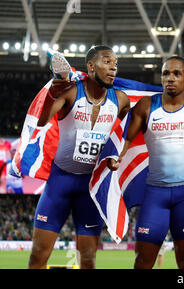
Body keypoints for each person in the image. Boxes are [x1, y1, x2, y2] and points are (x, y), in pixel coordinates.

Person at [108, 56, 184, 269]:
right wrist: (118, 155)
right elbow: (127, 138)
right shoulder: (147, 106)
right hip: (155, 195)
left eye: (177, 74)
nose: (170, 78)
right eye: (166, 73)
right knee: (142, 261)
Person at [28, 45, 130, 269]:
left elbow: (124, 131)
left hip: (90, 188)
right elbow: (42, 121)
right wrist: (53, 92)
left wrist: (116, 154)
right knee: (38, 256)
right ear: (91, 66)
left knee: (88, 260)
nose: (113, 67)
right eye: (107, 61)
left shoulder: (121, 100)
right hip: (60, 183)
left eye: (115, 64)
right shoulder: (71, 92)